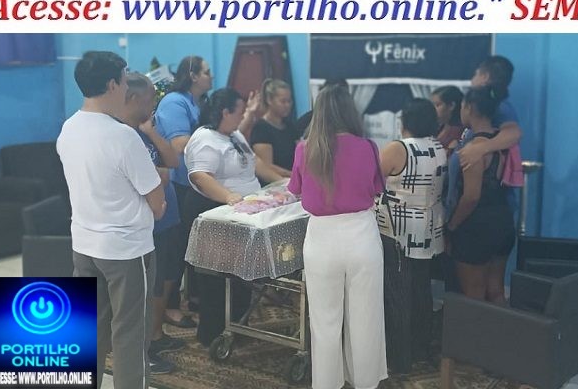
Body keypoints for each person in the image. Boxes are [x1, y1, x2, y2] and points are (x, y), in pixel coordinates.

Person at [57, 51, 166, 389]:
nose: (126, 87)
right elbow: (157, 203)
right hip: (125, 251)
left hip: (85, 244)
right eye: (123, 79)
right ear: (112, 85)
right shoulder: (122, 137)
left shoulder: (69, 128)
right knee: (130, 331)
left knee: (92, 326)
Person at [288, 85, 388, 389]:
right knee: (366, 317)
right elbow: (377, 188)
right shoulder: (368, 147)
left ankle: (326, 383)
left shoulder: (305, 149)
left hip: (321, 238)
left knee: (324, 321)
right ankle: (365, 382)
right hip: (362, 235)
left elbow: (295, 190)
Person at [183, 87, 285, 345]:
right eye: (239, 112)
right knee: (217, 278)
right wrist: (228, 196)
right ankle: (214, 332)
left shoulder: (233, 134)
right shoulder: (205, 138)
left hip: (242, 213)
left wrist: (283, 182)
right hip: (215, 211)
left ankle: (238, 326)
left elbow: (255, 163)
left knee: (241, 274)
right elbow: (200, 176)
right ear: (225, 112)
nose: (243, 117)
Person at [115, 72, 183, 375]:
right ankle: (143, 351)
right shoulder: (120, 135)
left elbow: (173, 163)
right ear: (133, 98)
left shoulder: (144, 131)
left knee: (165, 279)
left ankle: (155, 335)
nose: (154, 103)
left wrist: (152, 132)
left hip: (167, 217)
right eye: (150, 98)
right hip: (145, 225)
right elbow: (149, 179)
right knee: (146, 290)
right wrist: (158, 175)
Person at [376, 98, 447, 373]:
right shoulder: (438, 147)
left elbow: (371, 181)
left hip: (399, 230)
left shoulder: (398, 148)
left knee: (397, 292)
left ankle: (399, 358)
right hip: (428, 228)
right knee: (421, 289)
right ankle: (420, 348)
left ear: (404, 121)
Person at [153, 55, 212, 328]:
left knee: (194, 243)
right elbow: (180, 144)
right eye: (207, 72)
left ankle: (195, 297)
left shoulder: (201, 102)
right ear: (193, 75)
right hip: (179, 182)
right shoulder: (174, 102)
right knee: (176, 246)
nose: (211, 76)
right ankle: (170, 305)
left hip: (199, 180)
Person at [446, 86, 514, 303]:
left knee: (473, 296)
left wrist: (452, 226)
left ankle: (474, 329)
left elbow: (471, 196)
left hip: (478, 227)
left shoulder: (474, 149)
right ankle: (506, 326)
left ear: (469, 108)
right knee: (496, 292)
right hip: (503, 221)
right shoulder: (501, 141)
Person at [456, 56, 522, 169]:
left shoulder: (500, 106)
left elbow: (514, 133)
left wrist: (480, 148)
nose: (472, 80)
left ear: (485, 77)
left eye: (476, 74)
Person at [248, 79, 298, 177]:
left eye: (289, 101)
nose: (287, 105)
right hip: (274, 180)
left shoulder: (290, 126)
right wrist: (293, 176)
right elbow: (266, 166)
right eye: (283, 101)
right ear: (269, 100)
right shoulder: (261, 129)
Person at [431, 85, 465, 152]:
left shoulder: (459, 132)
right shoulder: (437, 127)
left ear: (451, 105)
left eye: (437, 105)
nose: (432, 109)